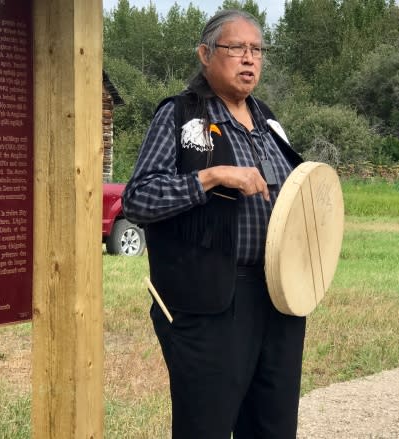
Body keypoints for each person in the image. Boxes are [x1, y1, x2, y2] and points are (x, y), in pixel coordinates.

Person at [122, 10, 305, 439]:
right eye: (236, 48)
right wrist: (212, 176)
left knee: (273, 426)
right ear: (205, 54)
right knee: (205, 426)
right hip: (209, 300)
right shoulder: (181, 114)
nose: (249, 59)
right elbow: (139, 199)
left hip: (280, 298)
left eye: (257, 50)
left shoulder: (269, 121)